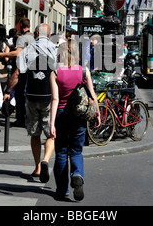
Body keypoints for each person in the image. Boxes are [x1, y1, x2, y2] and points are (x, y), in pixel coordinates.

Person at [50, 39, 100, 201]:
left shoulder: (56, 73)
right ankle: (77, 174)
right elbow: (92, 95)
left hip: (62, 114)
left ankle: (62, 190)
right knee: (76, 150)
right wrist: (97, 114)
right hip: (80, 115)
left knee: (62, 152)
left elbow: (55, 100)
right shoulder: (84, 71)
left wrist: (51, 124)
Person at [17, 23, 57, 182]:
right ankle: (46, 160)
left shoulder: (28, 49)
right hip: (49, 96)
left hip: (32, 96)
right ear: (49, 34)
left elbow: (19, 71)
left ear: (35, 33)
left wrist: (8, 92)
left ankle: (37, 167)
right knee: (51, 133)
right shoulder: (55, 49)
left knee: (35, 133)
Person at [0, 18, 34, 127]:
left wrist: (1, 55)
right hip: (32, 71)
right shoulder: (33, 38)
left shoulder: (22, 38)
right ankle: (27, 118)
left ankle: (21, 119)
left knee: (20, 94)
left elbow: (18, 53)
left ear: (21, 25)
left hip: (23, 71)